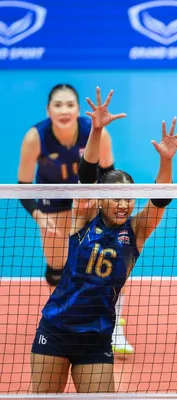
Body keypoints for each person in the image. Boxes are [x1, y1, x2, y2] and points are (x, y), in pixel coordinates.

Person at [30, 87, 177, 393]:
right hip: (56, 328)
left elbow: (160, 200)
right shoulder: (83, 217)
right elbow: (86, 175)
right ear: (101, 198)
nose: (123, 204)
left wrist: (166, 161)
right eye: (116, 197)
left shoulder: (136, 231)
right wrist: (96, 131)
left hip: (97, 336)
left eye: (128, 198)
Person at [17, 83, 134, 355]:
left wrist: (105, 208)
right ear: (48, 110)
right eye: (58, 105)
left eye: (70, 105)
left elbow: (110, 176)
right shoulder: (35, 137)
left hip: (90, 198)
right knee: (57, 267)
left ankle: (115, 326)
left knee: (111, 257)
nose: (64, 110)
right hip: (53, 200)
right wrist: (37, 214)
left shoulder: (97, 133)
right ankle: (63, 317)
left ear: (78, 109)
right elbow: (22, 185)